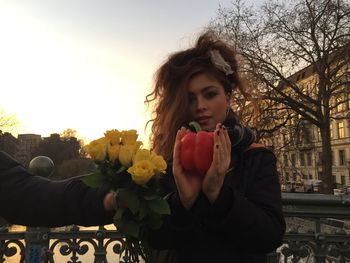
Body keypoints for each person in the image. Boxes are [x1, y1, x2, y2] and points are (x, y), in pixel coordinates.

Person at [0, 30, 285, 262]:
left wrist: (218, 196)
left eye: (210, 94)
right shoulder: (172, 156)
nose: (200, 106)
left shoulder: (255, 157)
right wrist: (183, 205)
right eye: (189, 98)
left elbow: (269, 235)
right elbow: (158, 238)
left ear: (228, 97)